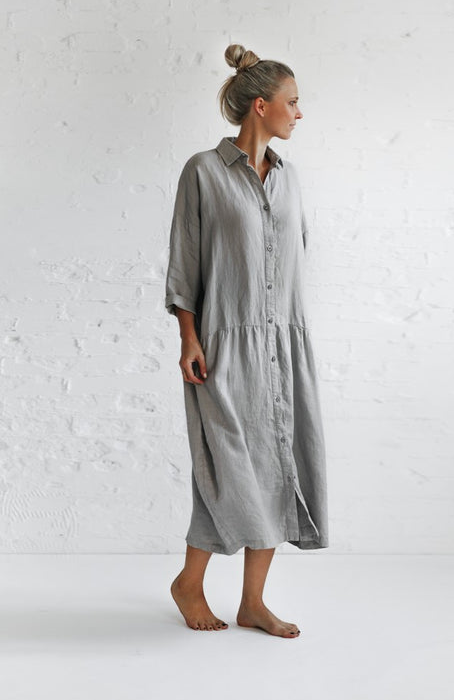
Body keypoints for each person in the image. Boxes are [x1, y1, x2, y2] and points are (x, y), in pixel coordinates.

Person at [165, 44, 329, 638]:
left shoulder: (289, 178)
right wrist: (188, 337)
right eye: (292, 102)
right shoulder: (203, 172)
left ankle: (253, 602)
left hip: (283, 346)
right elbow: (185, 262)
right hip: (223, 347)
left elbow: (296, 257)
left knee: (280, 462)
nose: (299, 113)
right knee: (226, 467)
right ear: (261, 106)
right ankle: (189, 582)